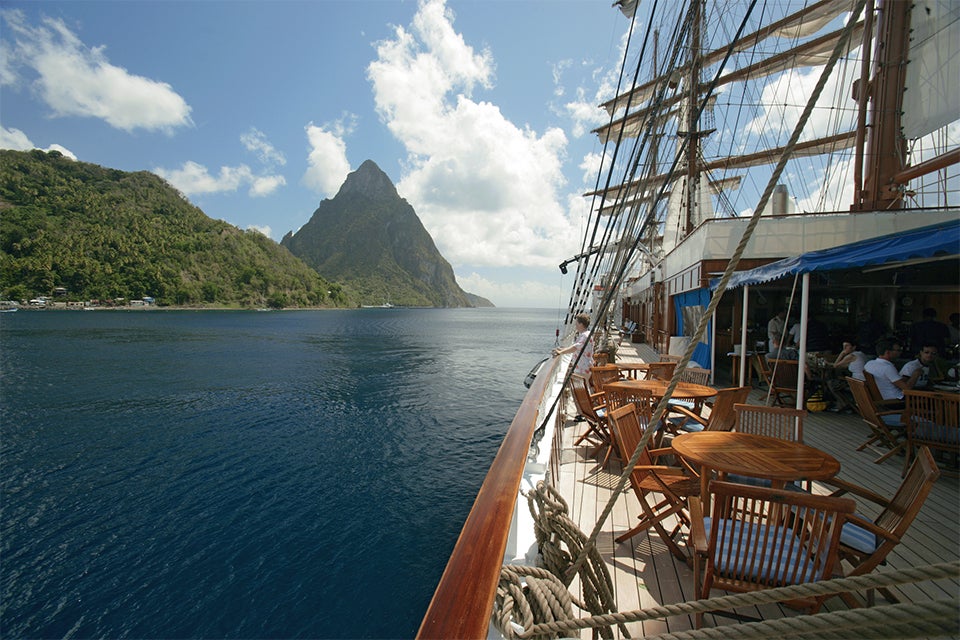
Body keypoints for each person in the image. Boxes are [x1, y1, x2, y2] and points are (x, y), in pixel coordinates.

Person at [863, 338, 917, 407]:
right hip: (894, 401)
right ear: (887, 352)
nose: (900, 353)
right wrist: (915, 375)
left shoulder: (869, 364)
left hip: (881, 398)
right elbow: (907, 389)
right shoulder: (887, 367)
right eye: (898, 350)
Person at [824, 339, 868, 412]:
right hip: (864, 381)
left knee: (831, 384)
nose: (844, 348)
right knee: (839, 383)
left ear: (854, 347)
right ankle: (847, 404)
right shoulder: (860, 354)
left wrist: (842, 353)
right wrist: (829, 364)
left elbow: (836, 366)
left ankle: (843, 404)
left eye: (847, 346)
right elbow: (843, 365)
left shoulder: (851, 356)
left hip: (857, 383)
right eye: (843, 346)